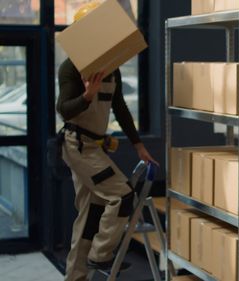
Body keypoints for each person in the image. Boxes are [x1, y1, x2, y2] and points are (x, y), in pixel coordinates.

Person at [56, 4, 156, 281]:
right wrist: (88, 95)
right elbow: (64, 109)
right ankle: (100, 255)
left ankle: (75, 277)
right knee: (122, 194)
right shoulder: (70, 69)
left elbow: (120, 108)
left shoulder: (111, 68)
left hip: (94, 146)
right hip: (77, 145)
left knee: (90, 215)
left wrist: (138, 145)